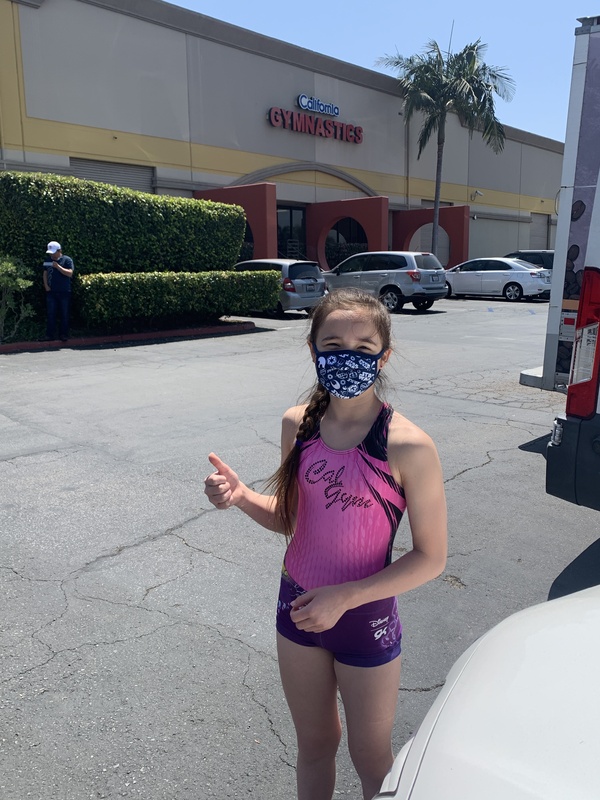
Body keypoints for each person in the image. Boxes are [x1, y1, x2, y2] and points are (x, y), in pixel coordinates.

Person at [204, 288, 447, 800]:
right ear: (314, 350)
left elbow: (432, 558)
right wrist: (241, 495)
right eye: (333, 344)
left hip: (364, 619)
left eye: (364, 347)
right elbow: (292, 520)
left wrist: (346, 597)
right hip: (296, 607)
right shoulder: (300, 424)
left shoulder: (407, 444)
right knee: (314, 743)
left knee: (371, 754)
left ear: (385, 355)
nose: (347, 356)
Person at [42, 241, 74, 341]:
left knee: (64, 314)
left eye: (53, 252)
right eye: (50, 253)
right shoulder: (47, 260)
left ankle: (63, 335)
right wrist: (46, 286)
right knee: (51, 314)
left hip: (64, 292)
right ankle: (49, 335)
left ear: (59, 251)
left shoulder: (67, 260)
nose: (51, 254)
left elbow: (70, 273)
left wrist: (58, 267)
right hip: (51, 292)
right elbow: (45, 273)